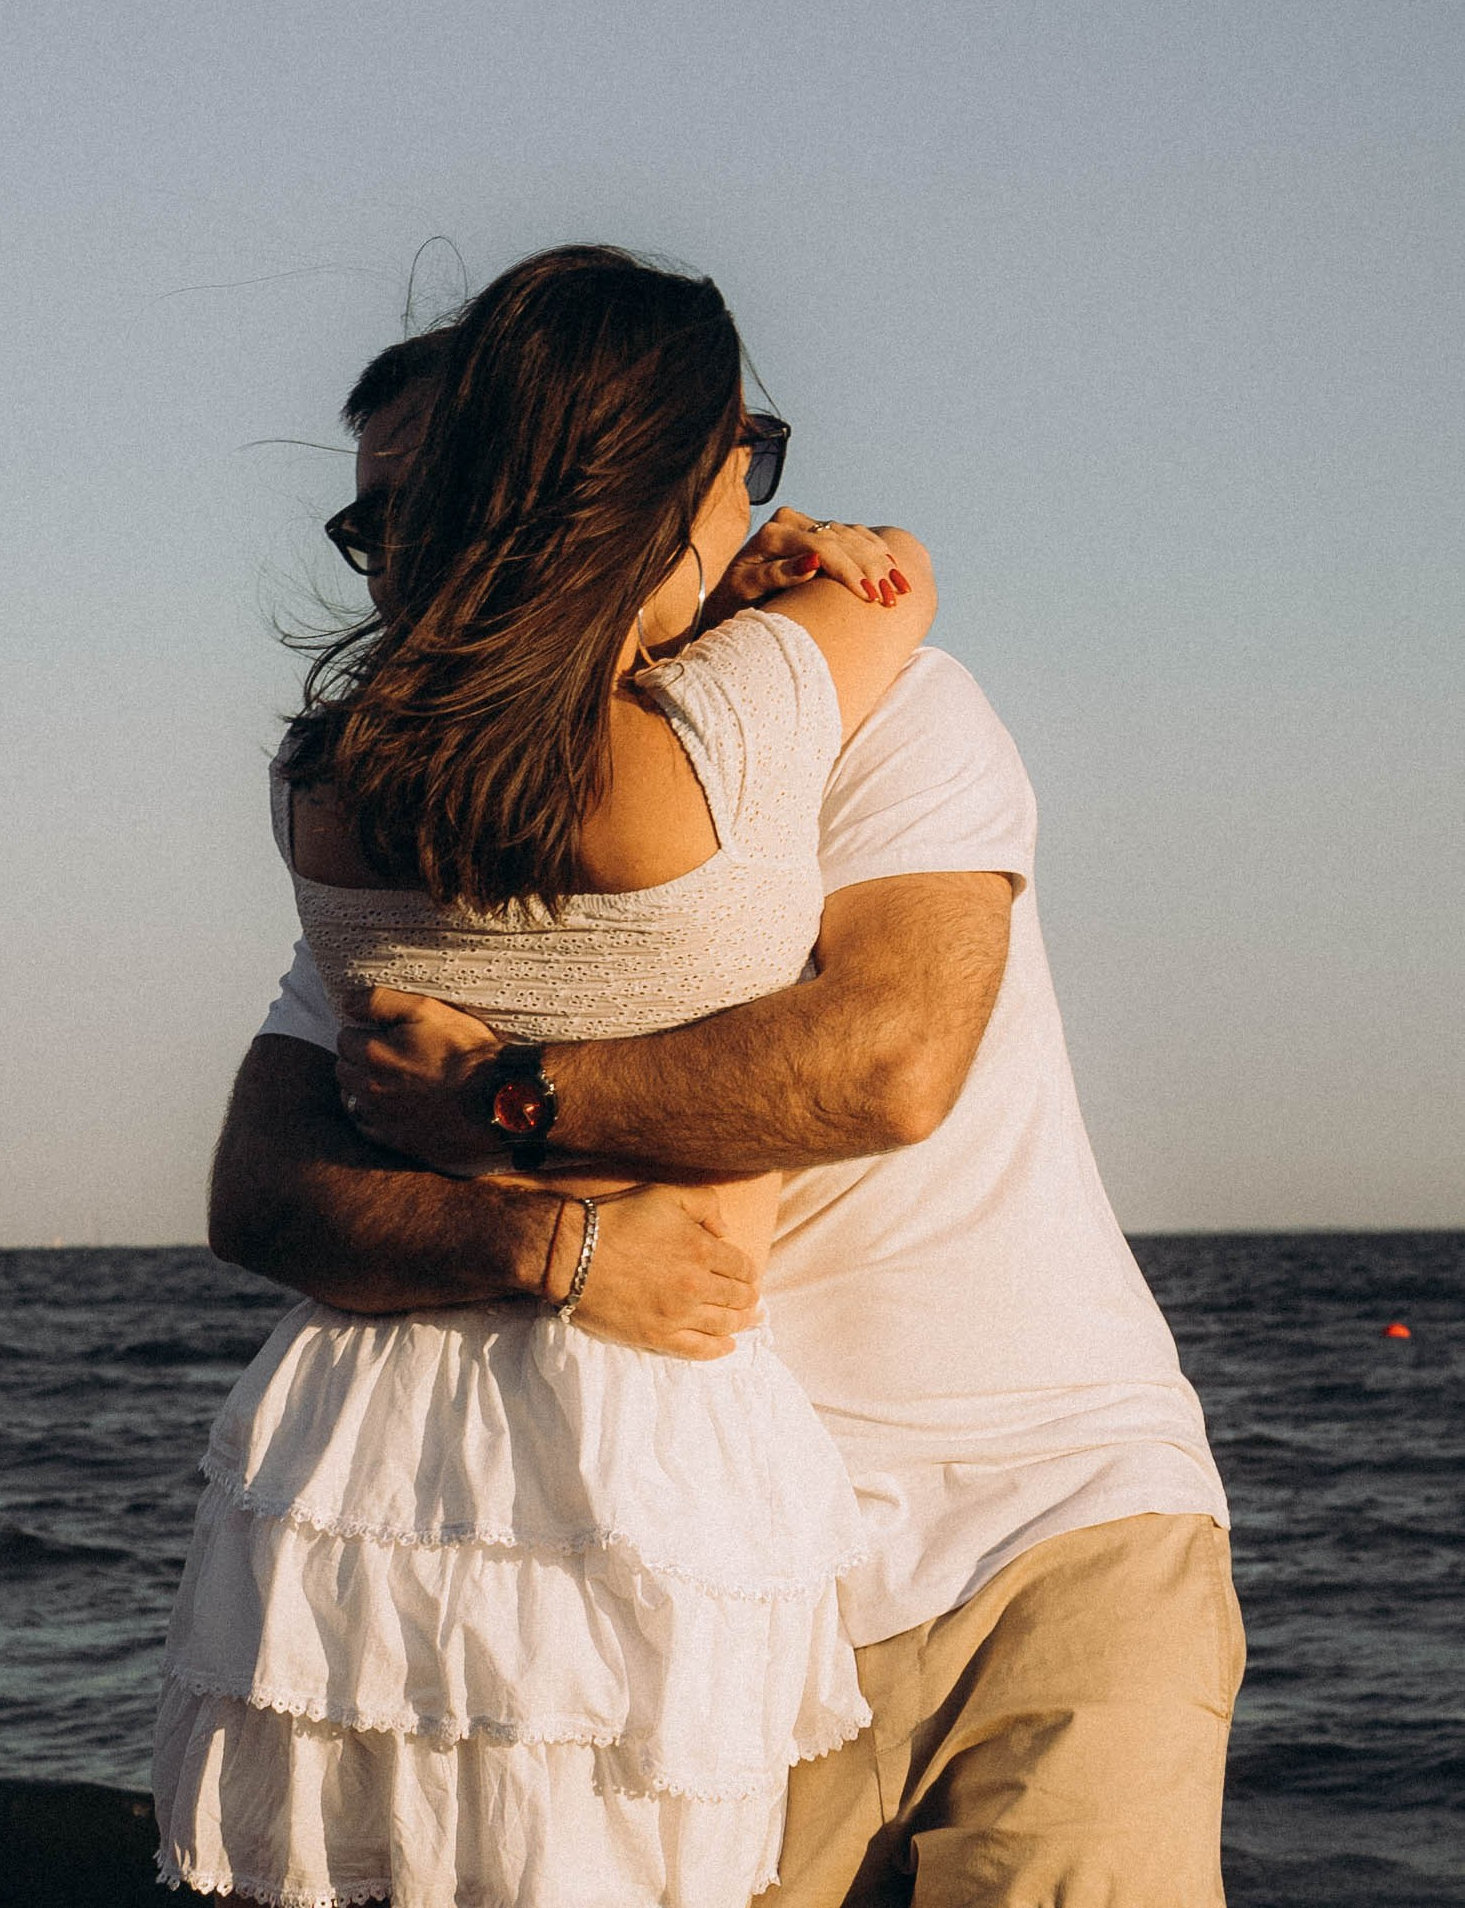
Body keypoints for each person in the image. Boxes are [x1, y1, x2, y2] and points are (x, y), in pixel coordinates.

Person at [207, 309, 1242, 1908]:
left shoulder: (887, 712)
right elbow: (266, 1187)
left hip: (1042, 1506)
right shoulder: (450, 826)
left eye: (439, 504)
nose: (410, 564)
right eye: (375, 524)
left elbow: (885, 1059)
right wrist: (550, 1246)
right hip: (709, 1572)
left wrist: (495, 1095)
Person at [152, 245, 937, 1908]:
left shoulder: (327, 785)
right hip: (637, 1415)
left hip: (367, 1429)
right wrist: (819, 559)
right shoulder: (714, 745)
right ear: (667, 487)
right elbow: (903, 589)